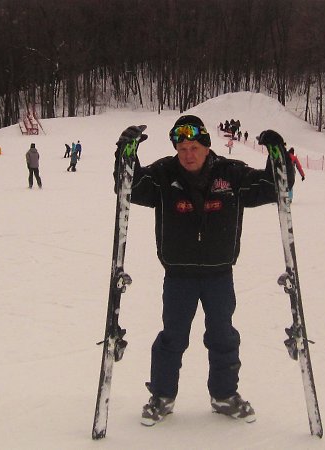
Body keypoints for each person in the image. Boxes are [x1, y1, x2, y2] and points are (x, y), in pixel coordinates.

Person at [115, 116, 287, 426]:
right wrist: (126, 153)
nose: (188, 155)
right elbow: (130, 187)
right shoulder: (164, 174)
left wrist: (278, 156)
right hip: (178, 275)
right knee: (172, 338)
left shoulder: (230, 174)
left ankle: (224, 395)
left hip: (219, 274)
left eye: (194, 147)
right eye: (182, 149)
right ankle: (162, 397)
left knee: (222, 336)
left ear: (207, 146)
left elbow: (272, 187)